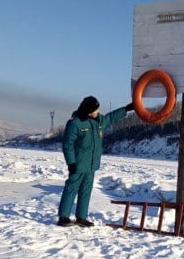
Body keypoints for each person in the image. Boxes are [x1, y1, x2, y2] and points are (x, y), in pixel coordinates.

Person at [57, 96, 134, 227]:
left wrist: (126, 109)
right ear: (89, 111)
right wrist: (71, 163)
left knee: (86, 191)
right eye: (96, 109)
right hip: (78, 165)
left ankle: (81, 217)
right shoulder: (75, 123)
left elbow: (112, 117)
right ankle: (63, 217)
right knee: (71, 189)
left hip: (91, 165)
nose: (98, 111)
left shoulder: (98, 121)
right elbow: (67, 144)